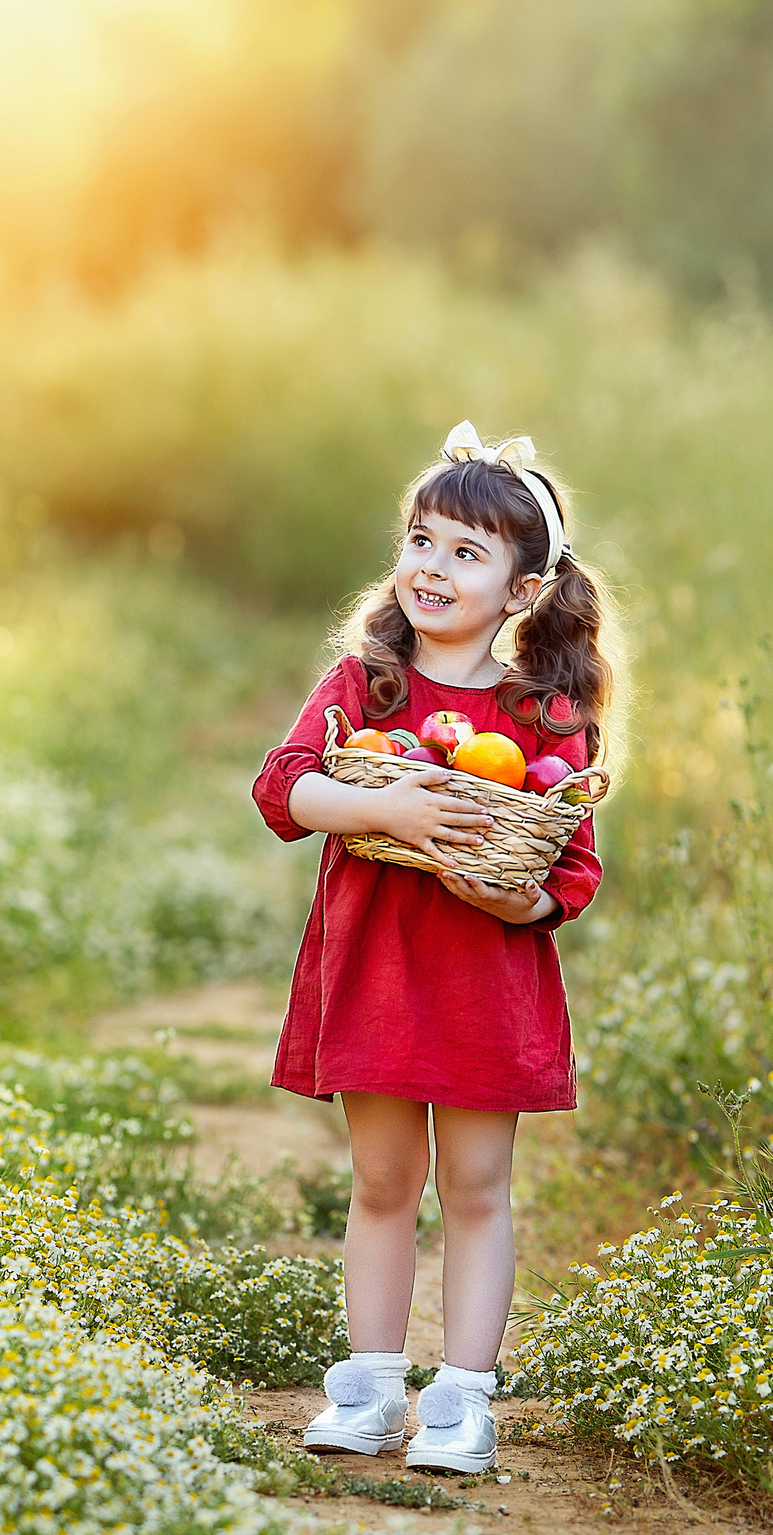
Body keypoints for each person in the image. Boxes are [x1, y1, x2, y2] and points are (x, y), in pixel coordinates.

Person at [251, 421, 619, 1474]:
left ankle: (462, 1400)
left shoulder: (544, 716)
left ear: (521, 591)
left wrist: (506, 902)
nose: (432, 566)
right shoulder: (365, 687)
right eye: (421, 540)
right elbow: (282, 787)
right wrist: (398, 814)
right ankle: (367, 1385)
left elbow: (568, 872)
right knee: (378, 1180)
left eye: (467, 552)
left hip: (479, 979)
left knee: (475, 1186)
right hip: (377, 969)